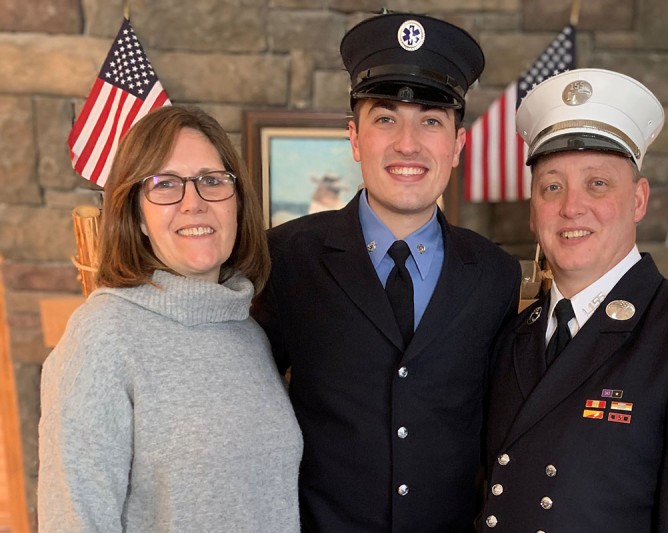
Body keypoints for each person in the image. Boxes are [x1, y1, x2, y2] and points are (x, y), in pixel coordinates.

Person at [251, 12, 521, 532]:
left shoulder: (494, 274)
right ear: (354, 139)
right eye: (386, 118)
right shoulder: (288, 257)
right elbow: (244, 394)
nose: (408, 144)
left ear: (458, 146)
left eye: (432, 120)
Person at [480, 68, 668, 532]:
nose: (572, 207)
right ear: (533, 211)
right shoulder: (512, 333)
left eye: (597, 183)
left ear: (638, 200)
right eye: (552, 186)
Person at [38, 106, 303, 532]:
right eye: (165, 185)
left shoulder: (248, 332)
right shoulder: (103, 337)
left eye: (212, 181)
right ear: (137, 216)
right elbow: (74, 520)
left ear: (236, 202)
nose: (193, 203)